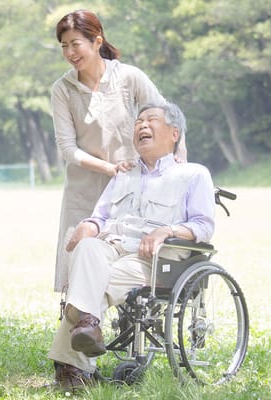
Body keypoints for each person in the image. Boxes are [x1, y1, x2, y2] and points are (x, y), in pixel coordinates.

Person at [48, 102, 215, 390]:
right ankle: (88, 324)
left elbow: (204, 226)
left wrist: (168, 230)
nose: (142, 125)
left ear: (174, 134)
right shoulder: (123, 174)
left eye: (152, 120)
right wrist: (90, 225)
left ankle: (72, 370)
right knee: (87, 247)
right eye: (139, 122)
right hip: (112, 247)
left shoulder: (193, 174)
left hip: (153, 259)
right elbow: (100, 216)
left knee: (90, 282)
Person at [50, 9, 187, 294]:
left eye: (75, 44)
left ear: (97, 41)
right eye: (64, 46)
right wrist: (109, 168)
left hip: (132, 186)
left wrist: (179, 157)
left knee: (125, 255)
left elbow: (167, 114)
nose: (70, 52)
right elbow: (68, 148)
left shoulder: (128, 77)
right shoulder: (63, 89)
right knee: (79, 254)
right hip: (84, 190)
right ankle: (81, 317)